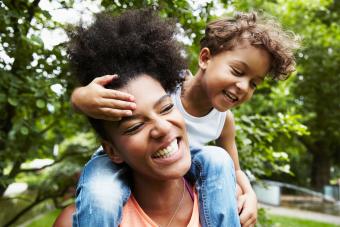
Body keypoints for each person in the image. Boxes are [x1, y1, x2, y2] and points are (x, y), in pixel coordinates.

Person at [71, 10, 299, 227]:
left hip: (184, 156)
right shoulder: (170, 83)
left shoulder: (224, 120)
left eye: (254, 84)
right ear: (205, 58)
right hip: (117, 160)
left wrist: (249, 194)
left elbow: (235, 169)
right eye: (238, 72)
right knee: (100, 196)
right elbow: (127, 81)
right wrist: (80, 98)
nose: (243, 86)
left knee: (219, 159)